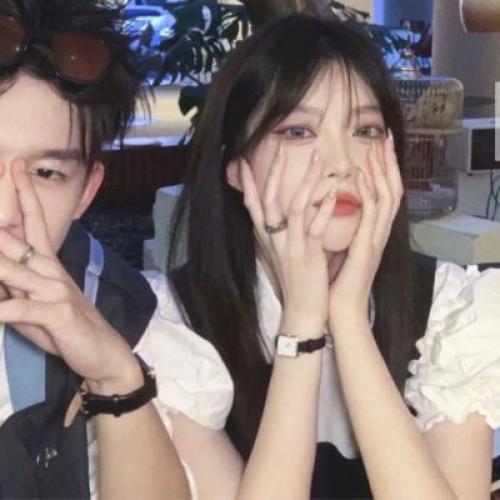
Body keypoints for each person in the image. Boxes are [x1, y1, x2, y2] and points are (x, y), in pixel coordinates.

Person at [140, 13, 497, 499]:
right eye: (298, 132)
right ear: (237, 167)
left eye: (366, 130)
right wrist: (303, 324)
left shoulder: (450, 312)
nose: (341, 164)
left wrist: (349, 320)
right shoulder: (174, 326)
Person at [0, 0, 189, 498]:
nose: (6, 210)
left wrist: (115, 377)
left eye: (46, 173)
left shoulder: (128, 319)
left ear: (86, 192)